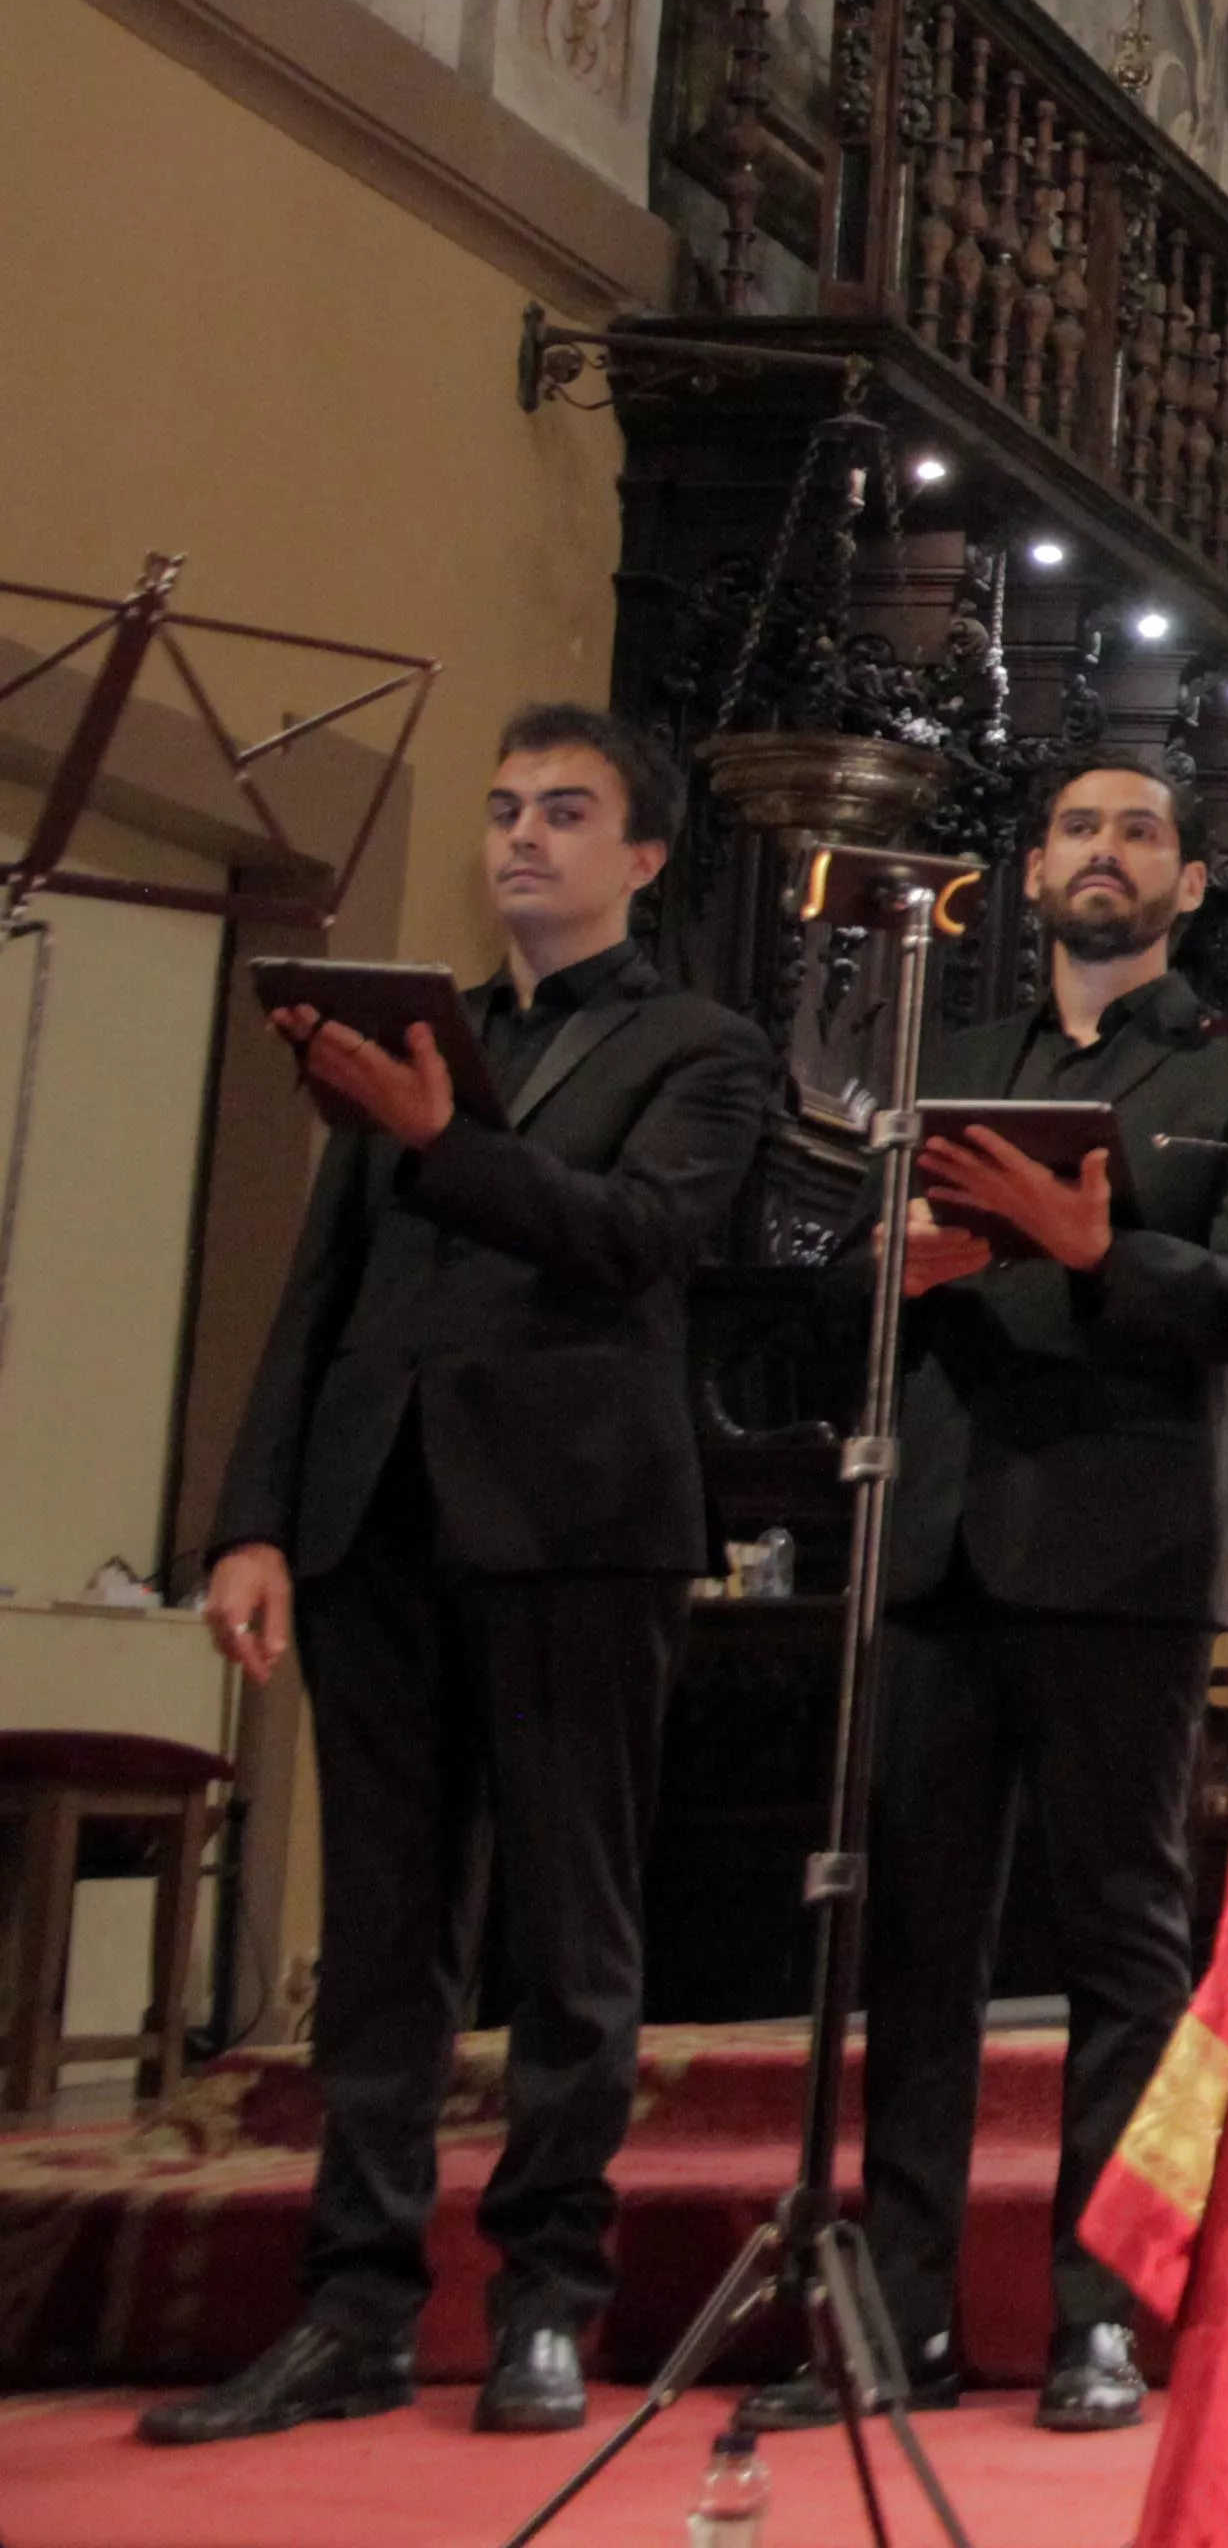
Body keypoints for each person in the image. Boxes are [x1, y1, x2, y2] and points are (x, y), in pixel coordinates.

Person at [155, 712, 777, 2446]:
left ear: (642, 856)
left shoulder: (702, 1044)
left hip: (576, 1529)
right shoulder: (413, 1036)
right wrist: (252, 1521)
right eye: (506, 810)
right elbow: (321, 1290)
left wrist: (443, 1138)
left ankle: (547, 2304)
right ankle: (352, 2309)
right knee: (379, 1943)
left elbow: (634, 1239)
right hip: (378, 1519)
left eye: (565, 813)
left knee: (571, 1939)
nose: (521, 838)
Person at [751, 763, 1228, 2437]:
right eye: (1077, 828)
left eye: (1139, 832)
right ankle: (904, 2315)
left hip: (1119, 1555)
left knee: (1123, 1938)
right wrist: (889, 1264)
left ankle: (1100, 2317)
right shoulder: (962, 1062)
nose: (1103, 852)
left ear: (1189, 884)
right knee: (919, 1946)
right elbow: (843, 1283)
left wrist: (1093, 1252)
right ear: (1035, 869)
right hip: (933, 1548)